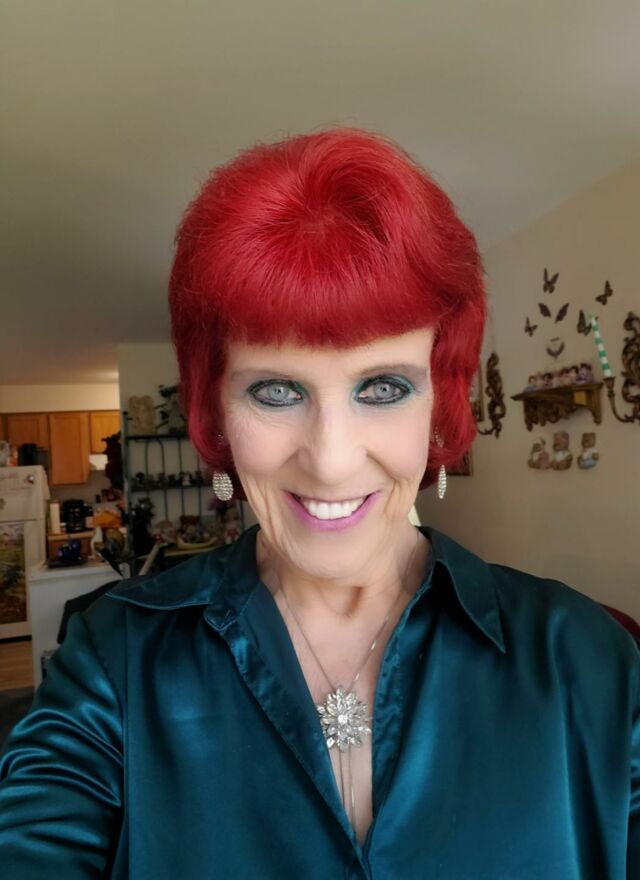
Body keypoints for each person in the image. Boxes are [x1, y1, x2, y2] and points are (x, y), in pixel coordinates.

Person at [1, 127, 638, 879]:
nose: (331, 461)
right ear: (216, 411)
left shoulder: (588, 659)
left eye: (383, 387)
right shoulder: (115, 659)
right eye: (277, 391)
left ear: (439, 405)